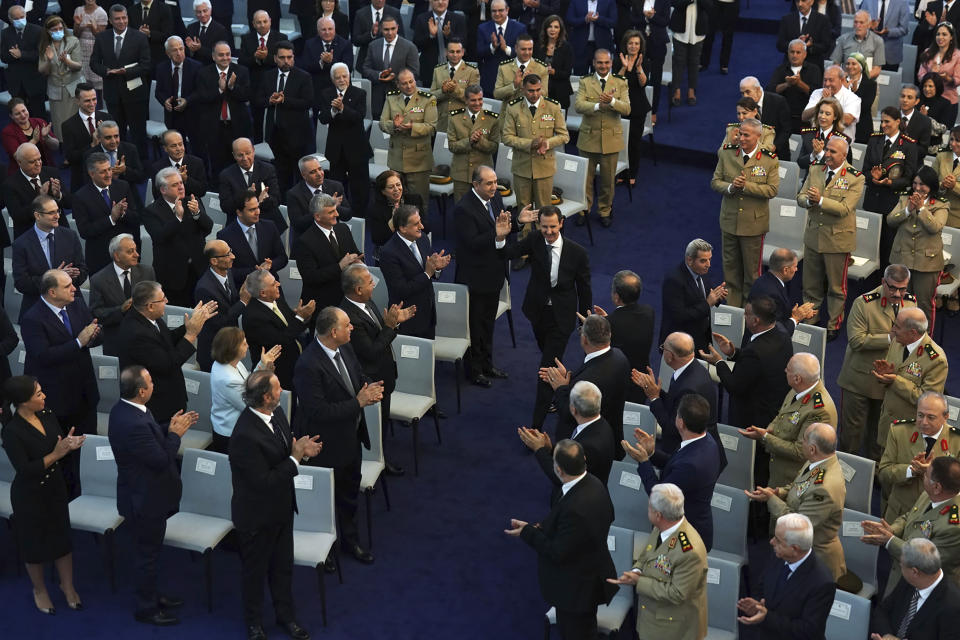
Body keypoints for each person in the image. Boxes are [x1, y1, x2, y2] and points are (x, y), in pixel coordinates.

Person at [229, 370, 319, 640]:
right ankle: (254, 624)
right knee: (255, 573)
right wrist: (295, 459)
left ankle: (286, 616)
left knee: (282, 567)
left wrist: (301, 450)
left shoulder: (276, 413)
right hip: (256, 516)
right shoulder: (245, 434)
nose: (282, 391)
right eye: (278, 388)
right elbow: (263, 481)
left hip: (281, 509)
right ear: (266, 396)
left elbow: (286, 446)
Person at [108, 365, 198, 626]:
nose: (154, 385)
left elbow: (149, 435)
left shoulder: (126, 409)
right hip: (143, 500)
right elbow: (160, 459)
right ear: (141, 391)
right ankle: (146, 608)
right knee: (146, 557)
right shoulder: (131, 421)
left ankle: (153, 595)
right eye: (150, 382)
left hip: (146, 495)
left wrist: (168, 427)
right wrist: (175, 434)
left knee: (150, 553)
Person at [293, 306, 384, 565]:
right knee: (328, 499)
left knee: (349, 493)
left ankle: (350, 541)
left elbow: (355, 376)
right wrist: (359, 402)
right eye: (347, 325)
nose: (352, 328)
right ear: (334, 332)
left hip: (350, 437)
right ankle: (328, 549)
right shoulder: (308, 364)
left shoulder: (345, 347)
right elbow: (317, 411)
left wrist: (370, 387)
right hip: (326, 444)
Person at [505, 438, 617, 640]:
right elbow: (608, 517)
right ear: (583, 459)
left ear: (558, 470)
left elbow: (557, 551)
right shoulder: (594, 483)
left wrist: (527, 533)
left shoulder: (576, 507)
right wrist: (538, 527)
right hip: (590, 576)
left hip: (575, 591)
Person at [497, 205, 589, 428]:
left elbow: (584, 287)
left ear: (561, 224)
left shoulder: (577, 252)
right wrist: (502, 236)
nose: (548, 232)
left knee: (545, 367)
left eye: (553, 227)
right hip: (537, 312)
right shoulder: (535, 239)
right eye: (544, 227)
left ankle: (536, 425)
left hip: (563, 316)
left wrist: (584, 320)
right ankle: (561, 385)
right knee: (548, 354)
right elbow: (507, 254)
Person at [1, 375, 85, 615]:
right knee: (34, 545)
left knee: (62, 538)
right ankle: (40, 590)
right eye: (38, 394)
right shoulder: (12, 431)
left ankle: (67, 586)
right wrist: (58, 454)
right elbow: (25, 470)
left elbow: (57, 443)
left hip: (55, 488)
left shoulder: (47, 414)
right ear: (23, 402)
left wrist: (69, 444)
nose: (44, 396)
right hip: (30, 494)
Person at [746, 422, 847, 580]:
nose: (801, 443)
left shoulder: (824, 488)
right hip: (798, 554)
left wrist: (771, 500)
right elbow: (799, 487)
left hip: (814, 564)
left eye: (804, 440)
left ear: (812, 448)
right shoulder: (819, 461)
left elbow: (797, 525)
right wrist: (778, 492)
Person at [339, 263, 414, 475]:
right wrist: (390, 327)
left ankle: (382, 455)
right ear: (358, 289)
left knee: (383, 422)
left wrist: (393, 324)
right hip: (370, 379)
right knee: (374, 425)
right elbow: (370, 351)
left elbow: (378, 333)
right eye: (370, 282)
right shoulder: (349, 316)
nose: (374, 285)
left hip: (384, 374)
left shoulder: (367, 301)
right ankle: (378, 460)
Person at [608, 482, 708, 640]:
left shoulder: (689, 552)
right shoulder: (662, 527)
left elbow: (677, 594)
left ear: (658, 515)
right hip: (653, 616)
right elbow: (648, 554)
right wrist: (637, 570)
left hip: (673, 629)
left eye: (649, 508)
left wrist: (639, 582)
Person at [837, 264, 917, 457]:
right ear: (883, 282)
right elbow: (856, 340)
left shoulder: (911, 303)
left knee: (879, 432)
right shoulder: (863, 304)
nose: (898, 294)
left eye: (903, 288)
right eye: (892, 288)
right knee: (852, 434)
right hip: (860, 380)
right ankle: (848, 470)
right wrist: (890, 338)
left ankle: (876, 471)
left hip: (888, 380)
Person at [624, 393, 721, 551]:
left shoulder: (690, 465)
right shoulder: (706, 441)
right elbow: (675, 464)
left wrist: (643, 462)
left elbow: (659, 497)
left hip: (682, 540)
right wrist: (652, 453)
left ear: (680, 422)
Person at [21, 268, 102, 453]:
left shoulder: (77, 304)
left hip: (85, 394)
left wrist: (93, 337)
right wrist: (78, 342)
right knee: (63, 456)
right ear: (52, 292)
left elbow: (94, 331)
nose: (74, 288)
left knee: (86, 448)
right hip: (58, 400)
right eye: (68, 286)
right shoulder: (32, 318)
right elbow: (43, 356)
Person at [117, 281, 217, 423]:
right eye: (163, 299)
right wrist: (191, 335)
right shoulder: (136, 333)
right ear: (150, 306)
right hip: (158, 408)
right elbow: (168, 363)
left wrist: (189, 325)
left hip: (170, 396)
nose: (167, 301)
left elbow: (166, 339)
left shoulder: (148, 317)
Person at [738, 352, 838, 489]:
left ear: (797, 378)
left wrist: (765, 437)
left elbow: (800, 451)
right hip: (776, 467)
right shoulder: (800, 389)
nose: (785, 371)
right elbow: (782, 415)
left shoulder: (819, 411)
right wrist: (769, 430)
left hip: (792, 481)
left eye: (788, 369)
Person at [797, 135, 863, 337]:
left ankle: (834, 324)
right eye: (827, 149)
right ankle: (811, 317)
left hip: (837, 240)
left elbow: (844, 208)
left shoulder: (855, 177)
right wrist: (808, 201)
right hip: (814, 236)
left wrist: (820, 200)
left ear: (844, 155)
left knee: (836, 287)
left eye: (833, 151)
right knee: (810, 284)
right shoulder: (816, 169)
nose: (827, 154)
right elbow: (800, 197)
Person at [710, 118, 780, 308]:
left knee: (751, 275)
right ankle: (734, 311)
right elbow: (715, 182)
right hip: (729, 220)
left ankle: (750, 311)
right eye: (740, 133)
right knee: (730, 272)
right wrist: (732, 187)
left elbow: (772, 190)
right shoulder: (727, 153)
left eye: (746, 135)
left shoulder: (769, 159)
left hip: (753, 224)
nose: (741, 138)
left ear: (758, 136)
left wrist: (746, 186)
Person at [453, 166, 512, 387]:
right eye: (489, 183)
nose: (494, 187)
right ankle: (474, 370)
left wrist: (519, 222)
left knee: (488, 324)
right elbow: (472, 244)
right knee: (475, 326)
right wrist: (495, 233)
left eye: (495, 182)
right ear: (475, 184)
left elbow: (503, 227)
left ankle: (487, 364)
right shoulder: (464, 209)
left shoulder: (495, 200)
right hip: (475, 278)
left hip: (494, 274)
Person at [699, 296, 794, 432]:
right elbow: (759, 365)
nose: (743, 316)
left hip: (753, 419)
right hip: (775, 408)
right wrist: (733, 353)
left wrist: (718, 361)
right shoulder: (782, 334)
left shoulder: (755, 351)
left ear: (756, 321)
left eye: (747, 314)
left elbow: (734, 385)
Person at [869, 454, 960, 593]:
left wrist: (889, 540)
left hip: (919, 591)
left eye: (926, 476)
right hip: (901, 574)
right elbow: (909, 516)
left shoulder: (953, 527)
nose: (923, 476)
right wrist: (892, 530)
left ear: (937, 487)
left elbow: (925, 561)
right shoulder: (929, 495)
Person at [541, 314, 630, 456]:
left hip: (583, 447)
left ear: (584, 340)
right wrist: (569, 381)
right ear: (609, 334)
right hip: (611, 434)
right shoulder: (620, 357)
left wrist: (560, 388)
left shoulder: (585, 382)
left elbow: (568, 413)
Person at [736, 513, 837, 637]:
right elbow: (762, 585)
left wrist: (766, 617)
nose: (771, 542)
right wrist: (757, 605)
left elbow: (808, 630)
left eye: (778, 540)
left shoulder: (822, 582)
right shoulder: (779, 554)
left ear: (794, 549)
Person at [501, 74, 568, 253]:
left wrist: (548, 143)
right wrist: (530, 144)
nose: (535, 94)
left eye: (538, 90)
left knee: (544, 210)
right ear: (523, 89)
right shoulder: (513, 108)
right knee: (524, 209)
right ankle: (524, 249)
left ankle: (543, 248)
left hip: (544, 167)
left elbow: (564, 135)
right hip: (522, 167)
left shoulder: (553, 107)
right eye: (531, 91)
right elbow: (506, 137)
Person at [632, 331, 722, 461]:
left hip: (688, 455)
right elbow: (675, 401)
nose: (662, 350)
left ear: (670, 356)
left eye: (663, 348)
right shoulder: (692, 368)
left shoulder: (688, 387)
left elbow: (672, 428)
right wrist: (656, 390)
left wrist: (654, 398)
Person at [518, 381, 615, 493]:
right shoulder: (601, 424)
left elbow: (563, 476)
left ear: (573, 410)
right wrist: (550, 448)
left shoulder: (589, 446)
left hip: (581, 495)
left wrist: (539, 449)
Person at [874, 307, 949, 453]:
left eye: (897, 326)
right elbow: (895, 372)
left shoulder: (936, 360)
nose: (893, 330)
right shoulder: (898, 341)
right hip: (887, 421)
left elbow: (927, 400)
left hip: (909, 432)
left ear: (912, 333)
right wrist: (885, 376)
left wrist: (895, 381)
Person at [879, 391, 960, 523]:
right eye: (920, 415)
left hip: (937, 517)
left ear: (946, 417)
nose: (924, 422)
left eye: (931, 417)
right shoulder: (899, 431)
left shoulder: (957, 441)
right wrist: (911, 470)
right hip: (900, 512)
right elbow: (883, 473)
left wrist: (933, 473)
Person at [573, 49, 629, 229]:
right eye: (599, 63)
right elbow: (579, 105)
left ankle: (605, 210)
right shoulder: (585, 81)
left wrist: (612, 102)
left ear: (611, 63)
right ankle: (585, 209)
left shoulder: (620, 82)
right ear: (594, 63)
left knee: (607, 181)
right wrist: (599, 105)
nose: (603, 66)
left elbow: (627, 109)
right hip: (588, 139)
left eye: (606, 63)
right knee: (586, 180)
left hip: (611, 141)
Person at [886, 167, 948, 327]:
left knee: (924, 305)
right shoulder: (904, 199)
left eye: (922, 184)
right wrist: (908, 210)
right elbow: (891, 220)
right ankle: (900, 336)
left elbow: (935, 227)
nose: (918, 188)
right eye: (915, 183)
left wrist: (921, 209)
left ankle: (924, 342)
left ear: (931, 186)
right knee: (900, 301)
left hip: (927, 264)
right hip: (902, 258)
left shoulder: (941, 204)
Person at [142, 167, 211, 306]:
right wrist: (178, 218)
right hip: (173, 275)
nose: (180, 187)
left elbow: (208, 228)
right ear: (163, 190)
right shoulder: (151, 211)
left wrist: (197, 213)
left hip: (199, 269)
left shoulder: (193, 201)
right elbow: (159, 237)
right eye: (175, 185)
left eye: (181, 183)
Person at [379, 204, 449, 340]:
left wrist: (437, 269)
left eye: (420, 221)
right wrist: (427, 273)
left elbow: (429, 271)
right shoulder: (388, 253)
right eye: (416, 224)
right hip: (407, 319)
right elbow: (401, 289)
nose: (422, 227)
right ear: (403, 228)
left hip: (428, 313)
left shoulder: (422, 239)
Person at [12, 195, 86, 323]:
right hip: (38, 310)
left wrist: (72, 276)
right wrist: (53, 278)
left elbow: (83, 270)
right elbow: (21, 283)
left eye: (58, 211)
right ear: (37, 215)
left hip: (71, 308)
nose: (57, 216)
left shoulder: (70, 236)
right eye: (51, 213)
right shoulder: (21, 244)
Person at [89, 4, 151, 158]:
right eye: (117, 19)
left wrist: (126, 72)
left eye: (124, 18)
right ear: (110, 20)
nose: (121, 21)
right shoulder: (102, 37)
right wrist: (107, 71)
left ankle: (140, 167)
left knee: (138, 135)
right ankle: (118, 165)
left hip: (136, 95)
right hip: (112, 94)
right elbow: (94, 63)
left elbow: (146, 65)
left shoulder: (140, 37)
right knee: (117, 134)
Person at [869, 538, 960, 640]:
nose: (900, 566)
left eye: (901, 565)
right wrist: (886, 635)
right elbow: (882, 610)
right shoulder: (909, 581)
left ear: (914, 572)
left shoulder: (953, 607)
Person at [863, 107, 920, 268]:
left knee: (888, 245)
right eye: (881, 121)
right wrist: (872, 177)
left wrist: (891, 183)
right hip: (872, 199)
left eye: (887, 121)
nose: (883, 125)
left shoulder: (908, 145)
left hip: (892, 202)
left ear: (897, 122)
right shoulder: (875, 140)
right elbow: (865, 170)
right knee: (869, 244)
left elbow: (910, 177)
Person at [241, 269, 315, 390]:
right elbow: (281, 341)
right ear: (263, 293)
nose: (278, 284)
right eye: (273, 284)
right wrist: (300, 317)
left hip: (296, 361)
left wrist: (304, 317)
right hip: (277, 373)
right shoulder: (253, 316)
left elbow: (291, 323)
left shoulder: (277, 299)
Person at [209, 327, 279, 453]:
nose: (247, 345)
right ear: (232, 349)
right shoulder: (228, 379)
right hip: (230, 435)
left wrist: (262, 365)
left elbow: (248, 383)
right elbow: (251, 404)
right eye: (243, 344)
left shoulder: (231, 362)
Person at [255, 41, 313, 193]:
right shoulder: (267, 76)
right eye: (282, 57)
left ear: (293, 58)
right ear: (275, 58)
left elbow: (308, 102)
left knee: (298, 175)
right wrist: (269, 100)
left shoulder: (303, 77)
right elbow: (258, 100)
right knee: (280, 175)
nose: (286, 61)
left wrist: (285, 100)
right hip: (274, 134)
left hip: (296, 136)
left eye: (289, 57)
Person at [293, 192, 363, 314]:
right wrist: (340, 266)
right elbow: (311, 277)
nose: (336, 214)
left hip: (347, 299)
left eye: (335, 210)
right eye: (331, 212)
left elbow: (354, 253)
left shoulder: (343, 229)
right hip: (322, 304)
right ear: (317, 216)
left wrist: (358, 260)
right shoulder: (304, 242)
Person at [72, 152, 141, 274]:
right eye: (103, 171)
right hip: (100, 259)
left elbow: (136, 218)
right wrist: (111, 219)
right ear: (92, 174)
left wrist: (123, 214)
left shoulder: (123, 186)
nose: (109, 174)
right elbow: (85, 231)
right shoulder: (80, 197)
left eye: (109, 169)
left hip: (126, 255)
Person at [379, 68, 438, 207]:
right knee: (394, 201)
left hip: (419, 161)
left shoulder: (428, 99)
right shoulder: (391, 98)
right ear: (398, 85)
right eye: (404, 83)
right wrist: (393, 125)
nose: (409, 85)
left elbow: (432, 127)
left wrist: (413, 127)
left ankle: (423, 228)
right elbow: (382, 123)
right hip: (396, 159)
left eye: (411, 81)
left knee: (419, 201)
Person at [88, 233, 155, 356]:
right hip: (116, 343)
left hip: (145, 340)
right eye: (130, 252)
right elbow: (96, 313)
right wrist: (121, 310)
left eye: (136, 250)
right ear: (117, 256)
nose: (137, 254)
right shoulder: (99, 280)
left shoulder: (147, 272)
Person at [317, 63, 369, 217]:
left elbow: (359, 117)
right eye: (337, 77)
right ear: (333, 79)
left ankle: (360, 216)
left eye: (344, 76)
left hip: (357, 147)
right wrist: (333, 110)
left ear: (349, 77)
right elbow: (322, 118)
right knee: (336, 185)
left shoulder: (360, 93)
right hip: (336, 149)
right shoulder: (326, 94)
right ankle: (338, 214)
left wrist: (343, 109)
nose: (341, 80)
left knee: (360, 187)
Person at [594, 270, 655, 401]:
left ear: (616, 297)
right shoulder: (649, 312)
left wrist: (592, 325)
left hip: (617, 384)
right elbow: (628, 328)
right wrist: (607, 319)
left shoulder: (611, 323)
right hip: (641, 381)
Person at [659, 238, 727, 353]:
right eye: (703, 261)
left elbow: (704, 295)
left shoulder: (701, 271)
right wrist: (708, 303)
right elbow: (679, 317)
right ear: (690, 260)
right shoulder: (674, 281)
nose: (708, 265)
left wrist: (717, 297)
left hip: (701, 338)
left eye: (710, 259)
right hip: (681, 345)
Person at [195, 41, 253, 176]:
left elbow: (246, 96)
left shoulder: (241, 71)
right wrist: (220, 90)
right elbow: (203, 97)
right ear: (213, 56)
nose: (225, 58)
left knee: (239, 164)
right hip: (214, 127)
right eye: (221, 55)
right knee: (217, 163)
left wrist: (232, 87)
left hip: (237, 126)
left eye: (228, 54)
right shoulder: (204, 73)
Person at [193, 239, 250, 372]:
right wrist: (243, 302)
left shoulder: (227, 272)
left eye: (230, 251)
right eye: (227, 254)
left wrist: (239, 297)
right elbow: (220, 322)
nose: (233, 256)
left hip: (229, 345)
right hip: (214, 351)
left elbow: (229, 305)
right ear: (214, 261)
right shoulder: (204, 289)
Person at [217, 190, 288, 290]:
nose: (258, 212)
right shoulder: (225, 236)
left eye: (258, 207)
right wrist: (255, 271)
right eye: (252, 210)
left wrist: (271, 265)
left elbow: (282, 258)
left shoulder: (269, 227)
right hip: (244, 290)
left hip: (271, 287)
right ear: (239, 212)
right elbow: (227, 271)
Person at [218, 138, 285, 233]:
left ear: (253, 151)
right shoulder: (226, 175)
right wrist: (245, 196)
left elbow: (277, 199)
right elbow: (225, 206)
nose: (245, 158)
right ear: (234, 155)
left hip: (267, 222)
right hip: (239, 227)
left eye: (248, 153)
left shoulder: (267, 169)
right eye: (240, 155)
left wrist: (264, 200)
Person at [446, 84, 500, 202]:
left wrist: (481, 141)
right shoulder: (454, 118)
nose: (477, 103)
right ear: (466, 101)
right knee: (461, 210)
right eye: (473, 100)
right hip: (461, 173)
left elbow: (494, 147)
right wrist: (469, 141)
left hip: (484, 176)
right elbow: (451, 146)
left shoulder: (492, 119)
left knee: (484, 209)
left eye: (480, 99)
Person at [286, 154, 352, 247]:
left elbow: (347, 215)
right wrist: (326, 208)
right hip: (308, 243)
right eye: (313, 172)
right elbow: (298, 225)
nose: (319, 174)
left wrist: (335, 207)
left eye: (320, 169)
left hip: (333, 239)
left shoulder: (335, 187)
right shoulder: (294, 194)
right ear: (304, 175)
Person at [238, 11, 284, 145]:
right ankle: (257, 147)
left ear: (270, 21)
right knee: (256, 121)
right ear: (253, 24)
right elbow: (242, 61)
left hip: (276, 85)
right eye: (258, 22)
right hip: (255, 87)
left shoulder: (281, 37)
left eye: (265, 21)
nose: (262, 25)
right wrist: (255, 58)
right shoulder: (246, 38)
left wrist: (267, 58)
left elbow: (284, 61)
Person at [360, 15, 419, 118]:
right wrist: (379, 75)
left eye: (393, 29)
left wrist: (396, 77)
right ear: (381, 29)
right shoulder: (373, 45)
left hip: (400, 97)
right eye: (386, 29)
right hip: (377, 98)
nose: (390, 32)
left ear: (397, 27)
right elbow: (365, 69)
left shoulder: (409, 47)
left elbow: (415, 72)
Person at [748, 248, 816, 334]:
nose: (796, 270)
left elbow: (776, 315)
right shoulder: (772, 293)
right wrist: (795, 318)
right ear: (785, 270)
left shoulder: (764, 280)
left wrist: (792, 314)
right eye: (795, 266)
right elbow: (776, 333)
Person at [36, 15, 82, 143]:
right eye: (54, 29)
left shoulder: (73, 41)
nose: (58, 31)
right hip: (56, 89)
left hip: (73, 89)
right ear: (48, 31)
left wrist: (67, 61)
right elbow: (43, 71)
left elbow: (78, 66)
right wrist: (49, 60)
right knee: (59, 123)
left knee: (76, 122)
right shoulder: (44, 45)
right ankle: (64, 150)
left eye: (60, 28)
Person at [614, 30, 650, 189]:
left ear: (640, 45)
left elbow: (643, 83)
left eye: (636, 43)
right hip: (621, 107)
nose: (633, 46)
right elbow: (615, 83)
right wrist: (623, 68)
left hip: (638, 107)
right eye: (630, 43)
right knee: (620, 142)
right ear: (625, 45)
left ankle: (632, 173)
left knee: (634, 142)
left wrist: (638, 68)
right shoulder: (618, 60)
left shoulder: (644, 61)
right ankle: (621, 173)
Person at [61, 84, 112, 193]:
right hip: (82, 179)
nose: (92, 104)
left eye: (94, 99)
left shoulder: (106, 118)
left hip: (106, 176)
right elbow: (71, 157)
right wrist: (92, 145)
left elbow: (116, 146)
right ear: (77, 101)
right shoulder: (68, 126)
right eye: (87, 101)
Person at [0, 5, 46, 119]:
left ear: (25, 15)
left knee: (38, 116)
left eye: (22, 16)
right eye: (16, 18)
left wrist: (22, 54)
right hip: (15, 82)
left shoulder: (38, 30)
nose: (20, 20)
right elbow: (3, 57)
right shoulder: (5, 33)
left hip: (34, 81)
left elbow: (41, 55)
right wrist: (13, 54)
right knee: (20, 117)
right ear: (10, 19)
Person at [769, 38, 823, 135]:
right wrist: (787, 85)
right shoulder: (780, 69)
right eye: (792, 52)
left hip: (806, 120)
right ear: (788, 53)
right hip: (783, 119)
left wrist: (799, 83)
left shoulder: (814, 70)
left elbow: (817, 93)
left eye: (798, 52)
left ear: (805, 54)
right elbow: (770, 91)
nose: (795, 55)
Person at [153, 36, 202, 141]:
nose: (179, 53)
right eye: (175, 50)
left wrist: (187, 101)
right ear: (167, 53)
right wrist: (165, 101)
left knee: (197, 149)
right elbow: (158, 92)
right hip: (172, 115)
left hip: (192, 113)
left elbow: (200, 91)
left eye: (181, 49)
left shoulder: (196, 67)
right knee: (176, 146)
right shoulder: (161, 68)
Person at [476, 0, 526, 96]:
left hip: (512, 80)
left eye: (500, 10)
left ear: (507, 10)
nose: (497, 14)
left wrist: (506, 49)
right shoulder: (482, 28)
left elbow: (524, 54)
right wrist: (492, 47)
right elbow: (479, 52)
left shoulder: (520, 28)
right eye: (494, 11)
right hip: (489, 81)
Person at [430, 38, 479, 135]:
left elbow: (475, 100)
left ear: (463, 52)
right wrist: (442, 91)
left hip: (462, 122)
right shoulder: (438, 70)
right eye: (452, 52)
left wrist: (455, 90)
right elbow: (431, 99)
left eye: (458, 51)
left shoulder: (472, 71)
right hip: (441, 122)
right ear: (446, 52)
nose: (455, 55)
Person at [414, 0, 467, 87]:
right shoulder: (422, 18)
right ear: (430, 1)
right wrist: (431, 35)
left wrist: (449, 35)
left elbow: (463, 43)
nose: (440, 2)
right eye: (436, 0)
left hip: (453, 68)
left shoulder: (459, 19)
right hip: (429, 70)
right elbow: (417, 45)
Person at [301, 17, 353, 105]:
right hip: (317, 88)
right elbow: (306, 66)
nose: (327, 32)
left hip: (339, 88)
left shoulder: (345, 44)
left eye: (330, 29)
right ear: (318, 31)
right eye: (323, 29)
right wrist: (321, 62)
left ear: (335, 29)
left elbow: (348, 67)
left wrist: (331, 61)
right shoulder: (309, 44)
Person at [740, 75, 793, 161]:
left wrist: (774, 146)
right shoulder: (744, 107)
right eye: (742, 93)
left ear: (757, 90)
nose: (745, 96)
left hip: (777, 154)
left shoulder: (778, 101)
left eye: (747, 92)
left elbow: (786, 129)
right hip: (753, 156)